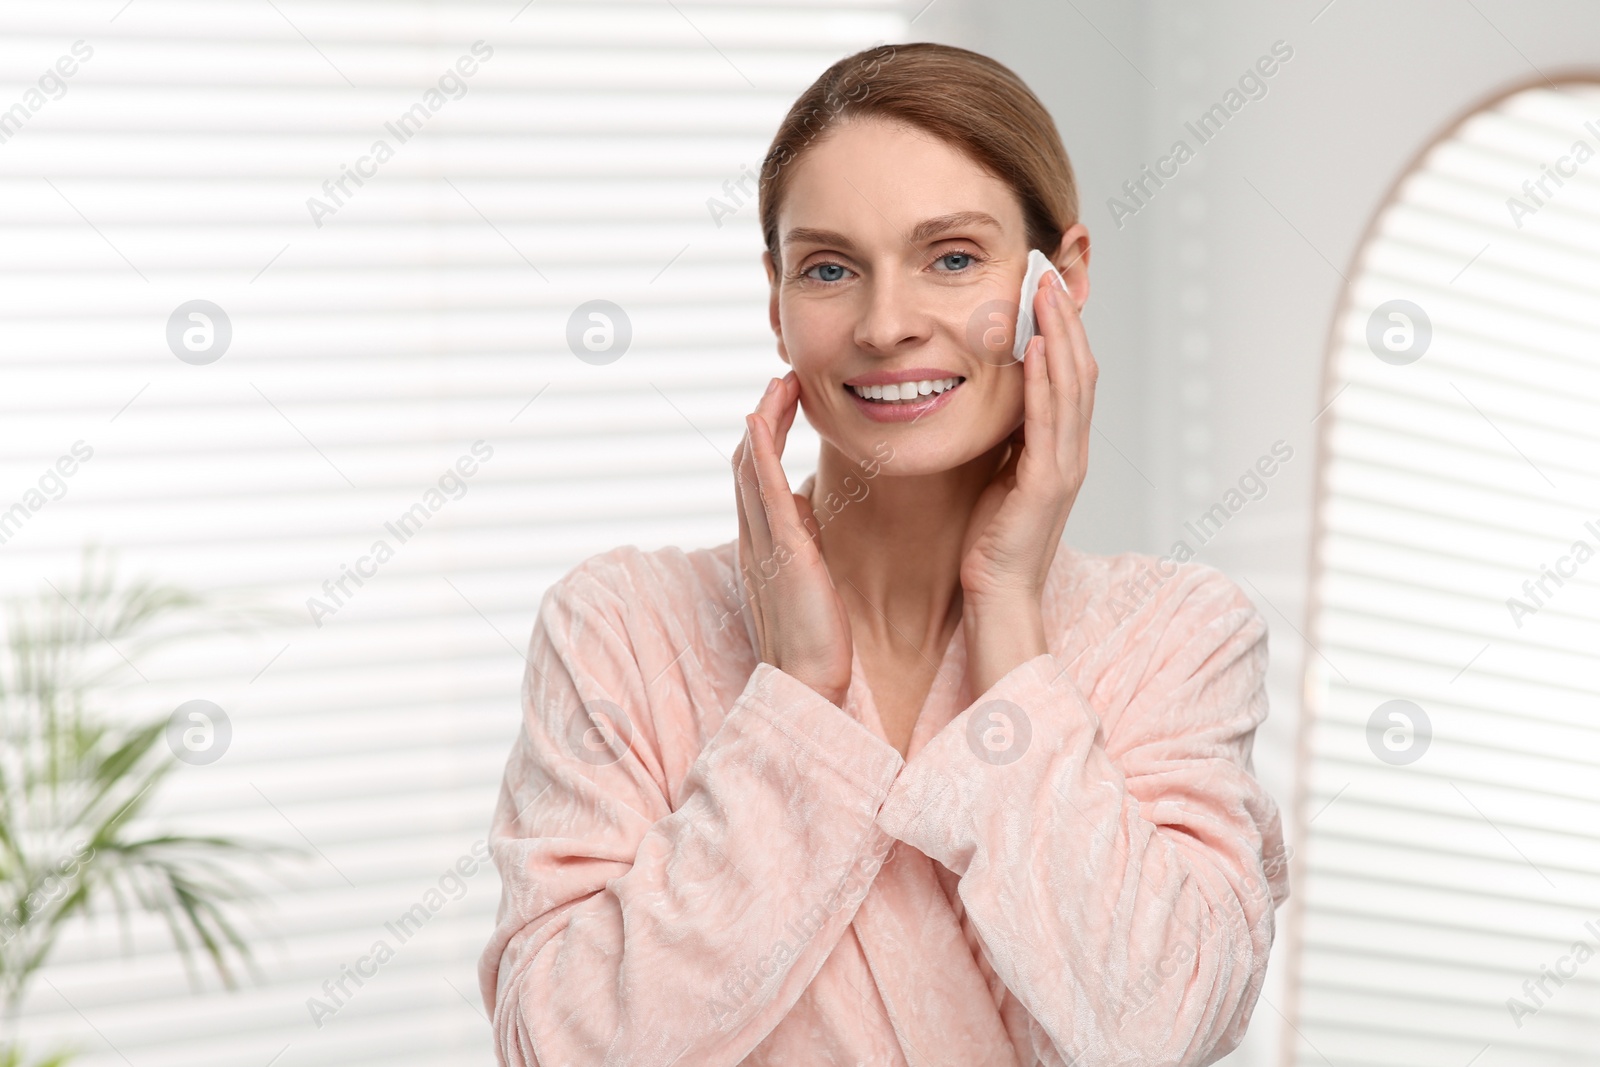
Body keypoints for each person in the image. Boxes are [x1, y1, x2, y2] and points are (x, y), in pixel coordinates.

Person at [479, 41, 1289, 1067]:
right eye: (829, 268)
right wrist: (795, 702)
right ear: (776, 303)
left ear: (1062, 279)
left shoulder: (1177, 635)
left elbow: (1160, 1024)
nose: (886, 323)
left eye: (952, 257)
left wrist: (1007, 617)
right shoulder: (622, 626)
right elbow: (562, 1046)